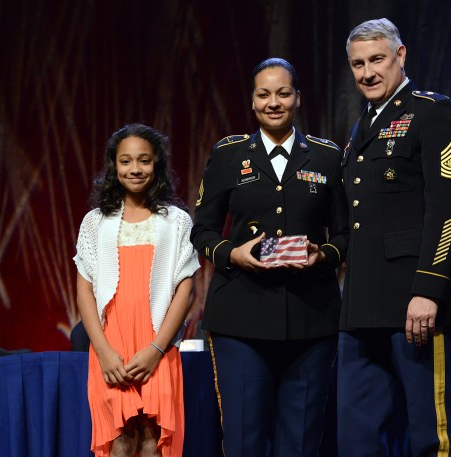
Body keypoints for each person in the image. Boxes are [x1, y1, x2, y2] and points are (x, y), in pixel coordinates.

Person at [190, 57, 349, 457]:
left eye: (282, 93)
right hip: (240, 318)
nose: (273, 102)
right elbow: (202, 229)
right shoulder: (229, 155)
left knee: (300, 442)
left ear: (297, 98)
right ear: (253, 100)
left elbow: (347, 234)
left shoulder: (327, 156)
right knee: (244, 439)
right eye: (264, 94)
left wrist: (323, 255)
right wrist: (232, 253)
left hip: (311, 316)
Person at [338, 18, 451, 456]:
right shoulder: (362, 127)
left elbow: (448, 208)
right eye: (358, 64)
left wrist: (429, 289)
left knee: (428, 434)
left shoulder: (432, 112)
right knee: (356, 437)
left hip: (414, 304)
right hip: (361, 308)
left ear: (401, 55)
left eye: (377, 59)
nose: (367, 72)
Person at [74, 124, 200, 457]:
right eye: (126, 161)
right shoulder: (95, 222)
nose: (135, 169)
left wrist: (156, 349)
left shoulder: (176, 222)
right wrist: (102, 350)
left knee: (151, 440)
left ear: (156, 163)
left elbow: (185, 291)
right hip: (110, 348)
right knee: (120, 439)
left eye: (143, 160)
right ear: (113, 166)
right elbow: (84, 291)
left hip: (155, 346)